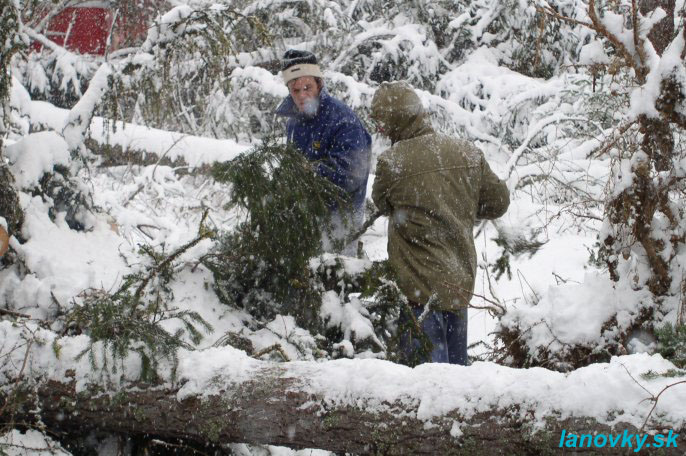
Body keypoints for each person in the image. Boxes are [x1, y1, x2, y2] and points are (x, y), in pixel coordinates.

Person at [370, 81, 510, 365]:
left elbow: (382, 202)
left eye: (382, 122)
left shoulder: (392, 162)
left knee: (427, 382)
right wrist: (463, 205)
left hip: (417, 289)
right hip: (457, 281)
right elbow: (499, 202)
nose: (380, 130)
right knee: (456, 377)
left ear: (396, 119)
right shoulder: (467, 153)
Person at [275, 49, 372, 255]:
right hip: (307, 222)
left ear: (319, 84)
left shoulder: (343, 120)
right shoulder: (294, 122)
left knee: (332, 281)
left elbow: (352, 174)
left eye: (307, 87)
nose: (302, 95)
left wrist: (308, 172)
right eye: (295, 90)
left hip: (340, 224)